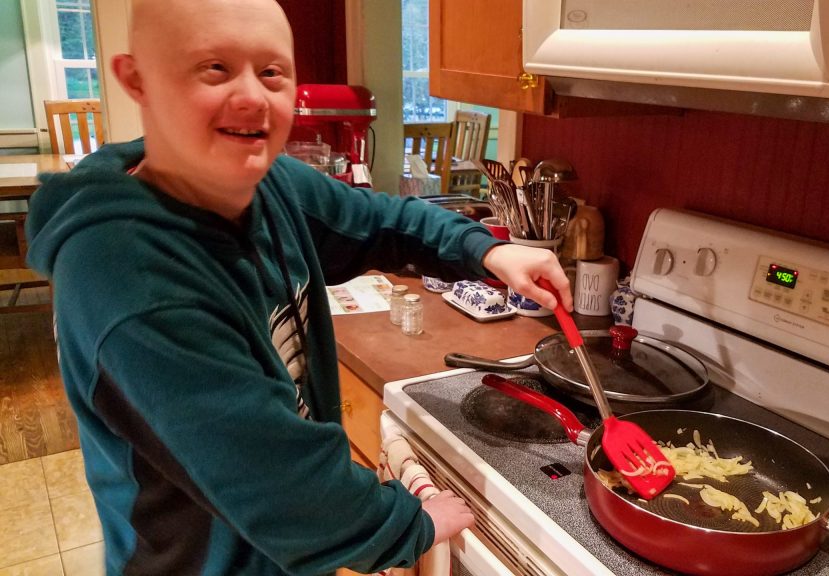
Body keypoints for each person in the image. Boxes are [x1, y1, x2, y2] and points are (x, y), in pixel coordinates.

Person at [25, 0, 572, 574]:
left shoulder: (266, 184)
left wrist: (486, 248)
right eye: (214, 68)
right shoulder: (131, 281)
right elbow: (288, 493)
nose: (252, 97)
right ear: (136, 80)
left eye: (271, 72)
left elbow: (383, 219)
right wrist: (415, 522)